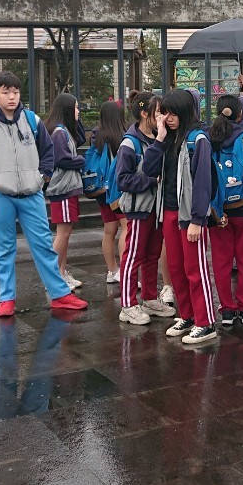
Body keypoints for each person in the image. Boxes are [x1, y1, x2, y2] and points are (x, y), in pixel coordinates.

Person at [0, 72, 88, 318]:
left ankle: (60, 294)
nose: (11, 97)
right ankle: (6, 299)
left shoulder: (32, 120)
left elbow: (48, 152)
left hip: (32, 193)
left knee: (44, 245)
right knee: (4, 248)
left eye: (15, 92)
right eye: (5, 92)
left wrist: (41, 177)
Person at [145, 89, 218, 344]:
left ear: (185, 112)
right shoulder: (167, 138)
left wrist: (198, 219)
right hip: (168, 210)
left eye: (173, 114)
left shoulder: (198, 140)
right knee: (176, 268)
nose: (169, 118)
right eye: (165, 113)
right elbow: (148, 168)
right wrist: (159, 138)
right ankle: (187, 315)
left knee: (195, 268)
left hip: (189, 214)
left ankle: (205, 322)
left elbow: (203, 182)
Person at [113, 92, 177, 325]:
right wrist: (150, 181)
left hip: (156, 207)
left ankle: (149, 298)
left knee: (152, 254)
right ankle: (128, 305)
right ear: (144, 113)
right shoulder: (130, 143)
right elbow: (123, 179)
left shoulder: (158, 137)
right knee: (133, 255)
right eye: (158, 112)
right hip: (139, 208)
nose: (162, 117)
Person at [208, 95, 243, 326]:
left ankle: (227, 309)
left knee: (221, 261)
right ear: (241, 115)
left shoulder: (210, 139)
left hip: (219, 210)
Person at [46, 93, 86, 289]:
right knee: (62, 233)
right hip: (62, 188)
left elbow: (80, 138)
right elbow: (62, 159)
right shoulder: (59, 133)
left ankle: (61, 273)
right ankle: (52, 277)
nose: (78, 111)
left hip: (67, 188)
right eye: (76, 107)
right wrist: (81, 160)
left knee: (66, 233)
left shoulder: (64, 131)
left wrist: (77, 122)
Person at [92, 101, 128, 284]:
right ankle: (125, 271)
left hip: (101, 190)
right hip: (117, 190)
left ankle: (112, 270)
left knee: (109, 231)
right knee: (126, 228)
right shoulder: (121, 137)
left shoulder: (97, 137)